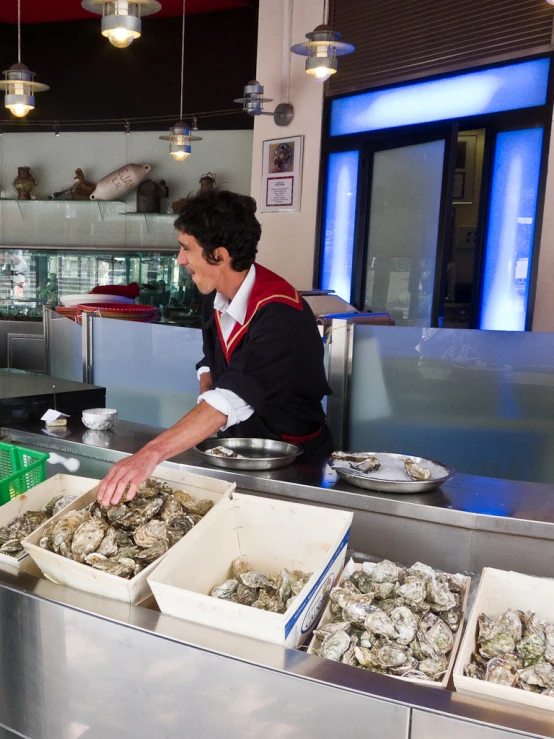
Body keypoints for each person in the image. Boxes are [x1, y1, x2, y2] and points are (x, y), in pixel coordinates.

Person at [97, 189, 332, 507]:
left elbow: (232, 397)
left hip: (291, 464)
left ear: (219, 256)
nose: (180, 260)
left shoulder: (280, 314)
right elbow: (213, 357)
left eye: (186, 249)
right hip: (236, 451)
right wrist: (208, 391)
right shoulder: (214, 293)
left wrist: (148, 455)